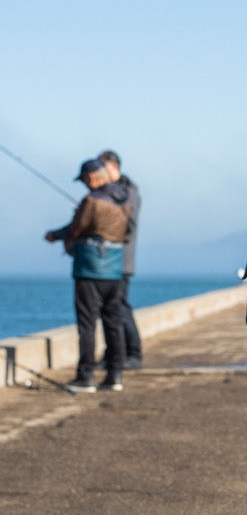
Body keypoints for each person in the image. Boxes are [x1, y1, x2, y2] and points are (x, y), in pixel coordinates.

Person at [44, 158, 131, 392]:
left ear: (91, 177)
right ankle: (115, 375)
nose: (84, 184)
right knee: (113, 322)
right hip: (114, 268)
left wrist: (54, 235)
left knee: (87, 323)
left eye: (83, 180)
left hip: (90, 268)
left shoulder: (91, 201)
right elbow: (128, 231)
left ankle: (86, 376)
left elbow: (75, 228)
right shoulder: (124, 201)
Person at [97, 149, 143, 370]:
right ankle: (113, 355)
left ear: (113, 166)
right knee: (108, 309)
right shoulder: (110, 190)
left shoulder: (129, 191)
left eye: (102, 166)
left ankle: (134, 354)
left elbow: (127, 224)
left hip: (121, 261)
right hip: (107, 262)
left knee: (120, 307)